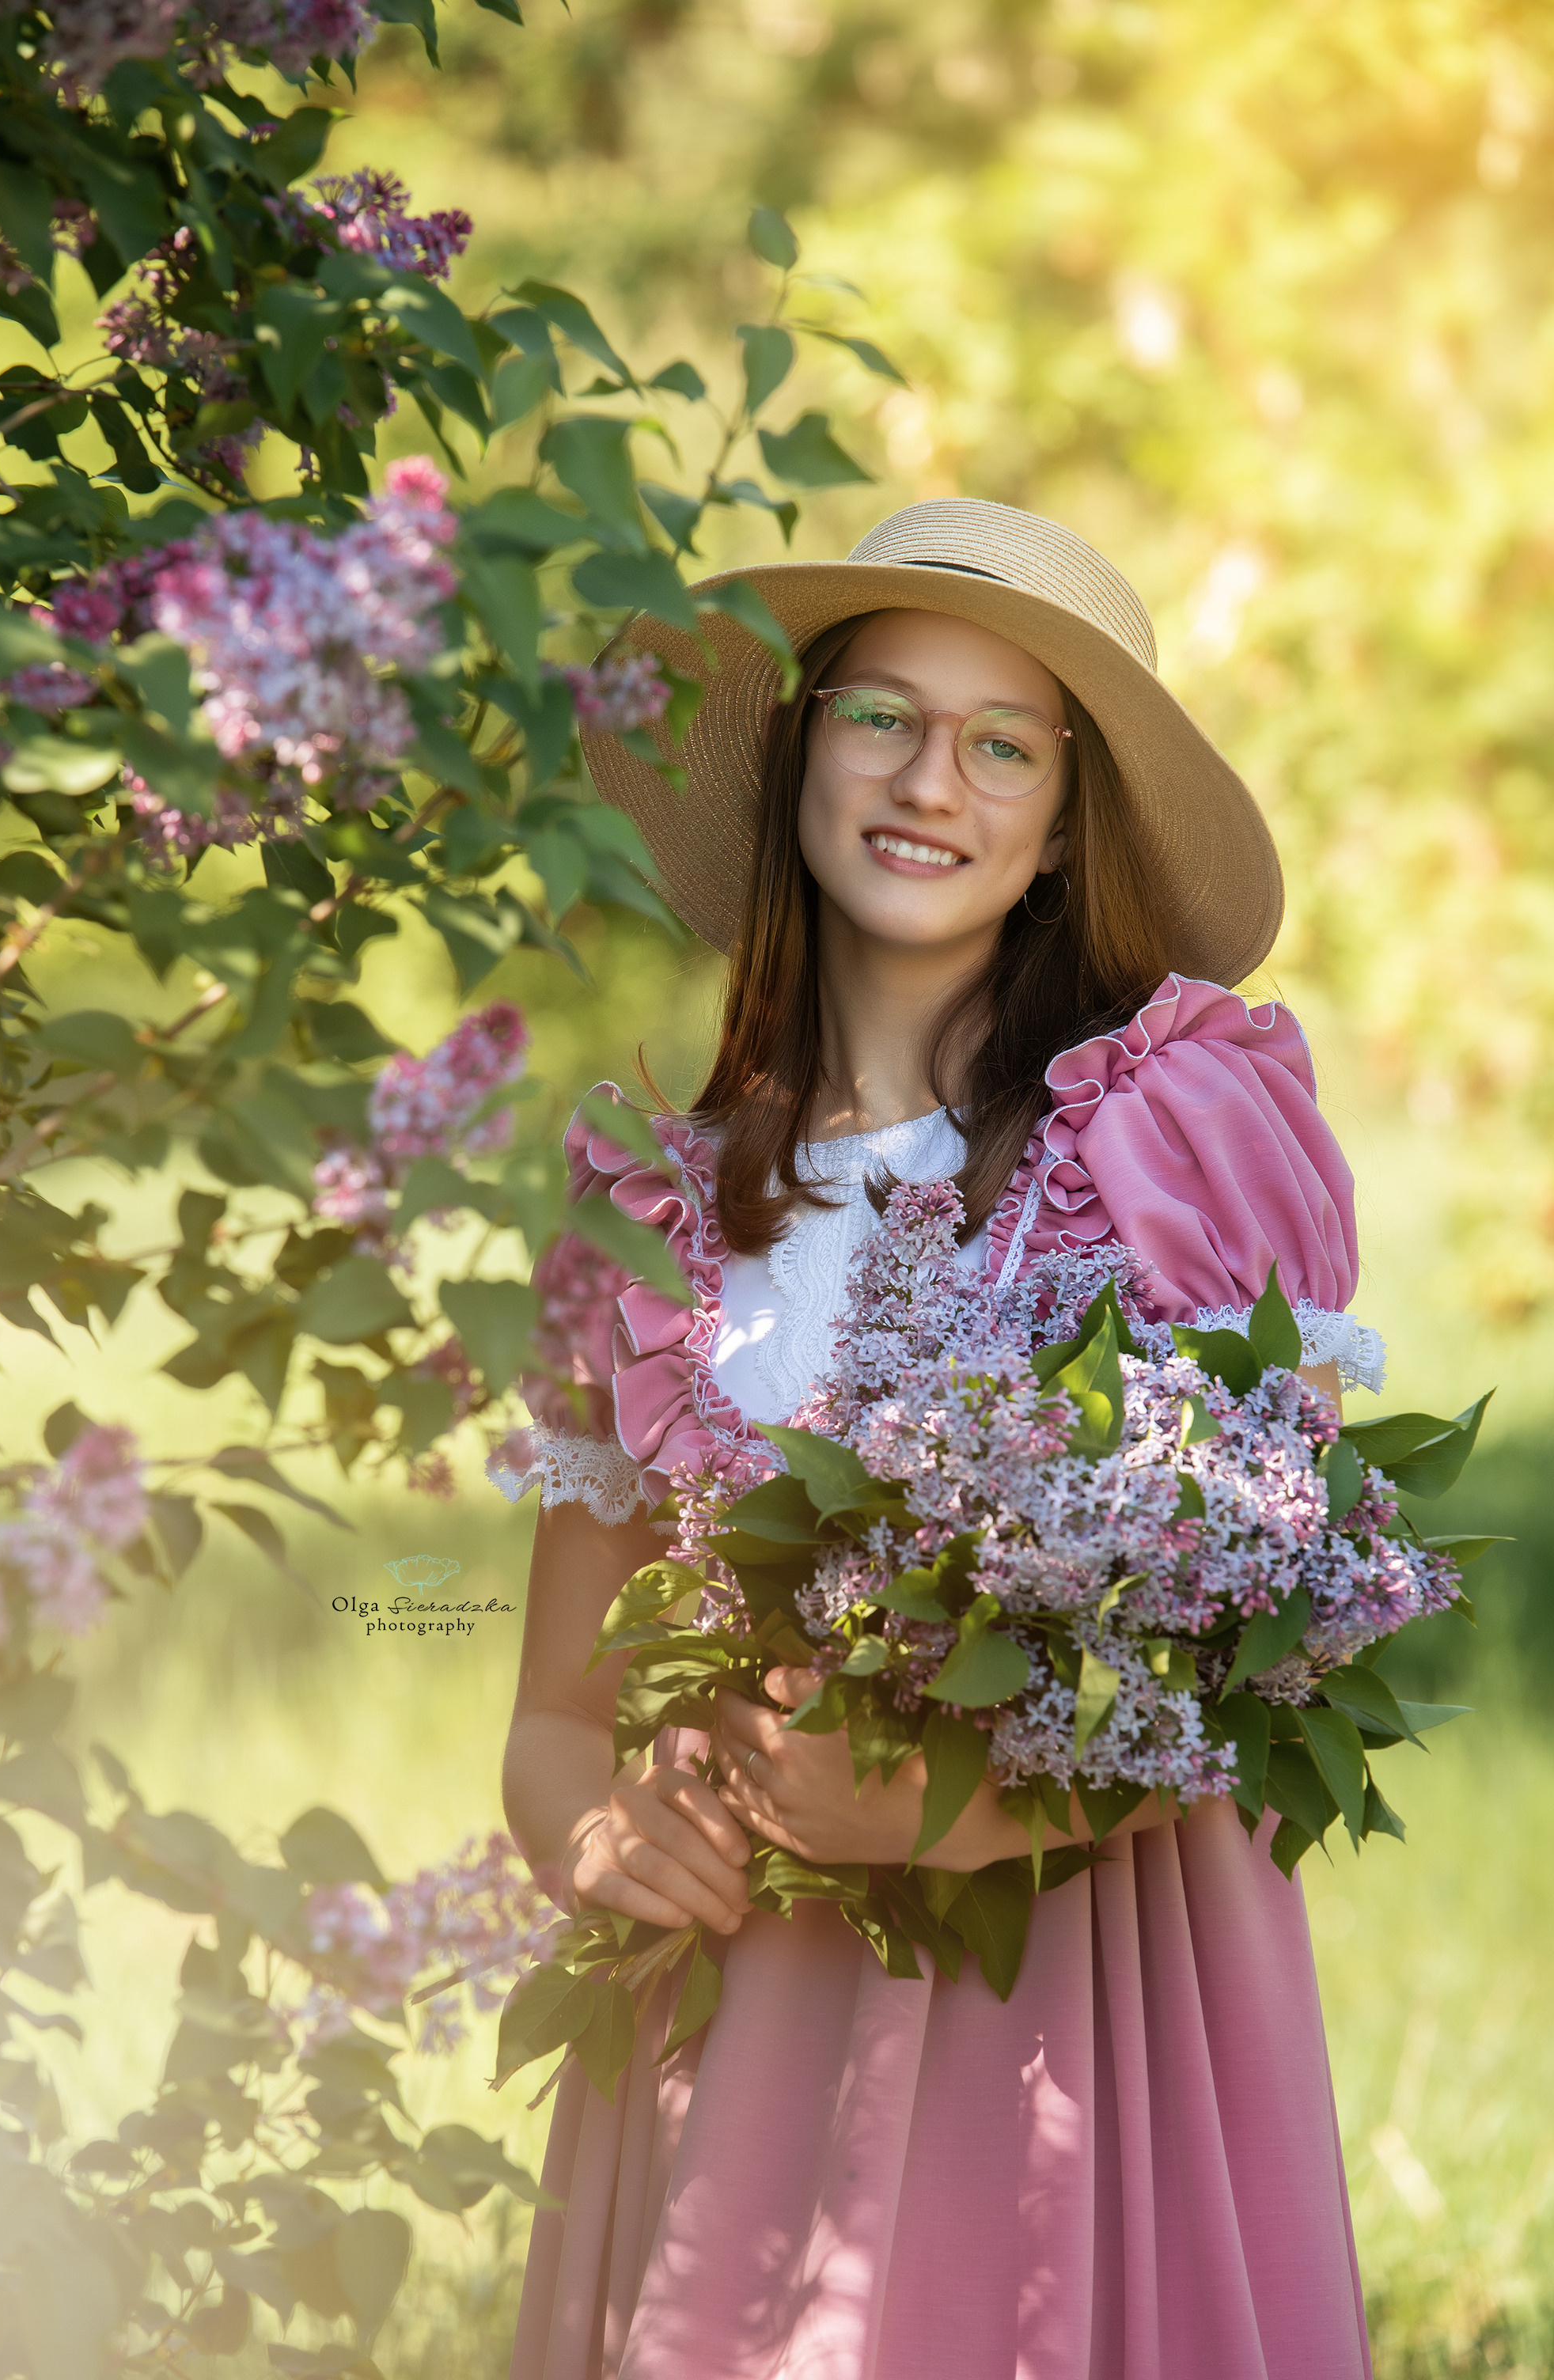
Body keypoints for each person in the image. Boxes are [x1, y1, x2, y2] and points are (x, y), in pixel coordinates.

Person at [498, 500, 1382, 2380]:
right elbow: (553, 1710)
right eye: (880, 715)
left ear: (1063, 826)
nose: (930, 780)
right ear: (799, 748)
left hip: (1076, 2014)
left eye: (1001, 742)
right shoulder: (654, 1215)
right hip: (733, 2023)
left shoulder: (1167, 1140)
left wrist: (943, 1807)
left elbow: (1273, 1662)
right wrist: (591, 1828)